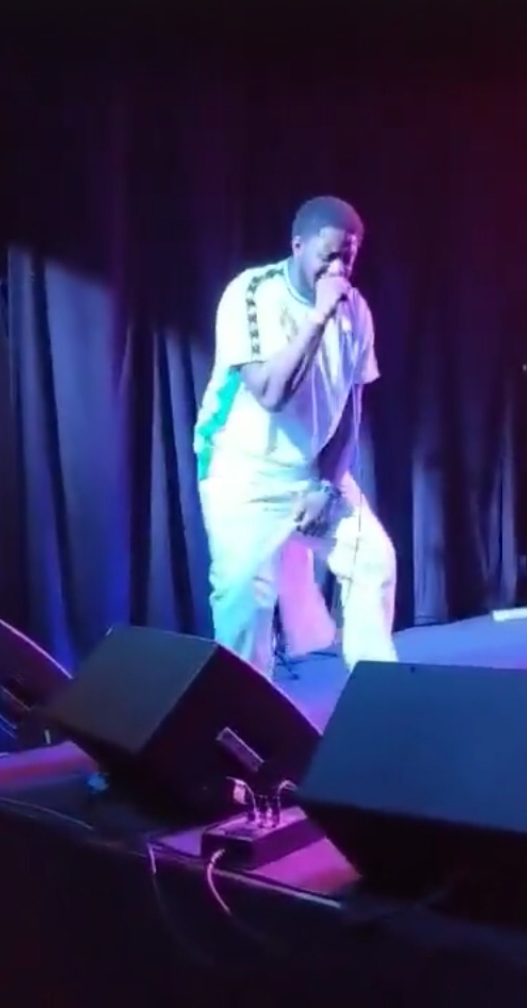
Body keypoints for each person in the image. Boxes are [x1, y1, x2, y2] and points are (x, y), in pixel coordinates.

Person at [194, 195, 397, 677]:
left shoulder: (357, 310)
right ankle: (245, 714)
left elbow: (350, 412)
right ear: (297, 246)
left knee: (373, 561)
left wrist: (326, 485)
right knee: (245, 605)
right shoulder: (250, 294)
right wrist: (318, 317)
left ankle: (380, 695)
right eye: (327, 256)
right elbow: (270, 392)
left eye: (347, 257)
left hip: (310, 471)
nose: (337, 268)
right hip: (243, 474)